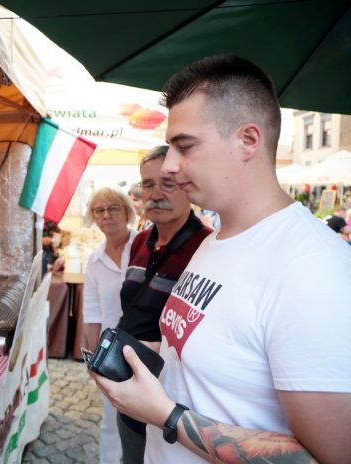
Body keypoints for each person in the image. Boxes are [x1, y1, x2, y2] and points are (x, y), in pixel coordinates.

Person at [91, 55, 351, 463]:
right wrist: (141, 354)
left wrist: (166, 415)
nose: (170, 166)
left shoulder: (314, 269)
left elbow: (330, 456)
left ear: (248, 140)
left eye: (185, 146)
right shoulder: (215, 241)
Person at [115, 146, 211, 463]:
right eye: (148, 184)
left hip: (171, 397)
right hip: (129, 383)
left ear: (187, 187)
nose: (156, 194)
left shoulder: (207, 246)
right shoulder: (140, 241)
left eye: (167, 183)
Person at [81, 187, 137, 464]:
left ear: (126, 211)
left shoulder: (144, 247)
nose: (106, 215)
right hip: (113, 353)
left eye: (113, 208)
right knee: (112, 419)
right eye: (99, 210)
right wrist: (94, 360)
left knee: (148, 422)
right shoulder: (95, 261)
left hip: (148, 346)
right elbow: (92, 313)